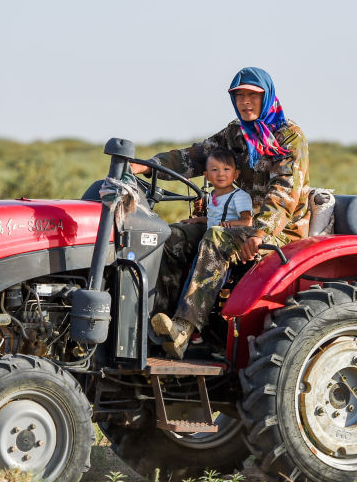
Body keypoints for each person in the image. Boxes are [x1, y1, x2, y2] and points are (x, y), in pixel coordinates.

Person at [130, 66, 310, 357]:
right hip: (235, 221)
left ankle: (183, 330)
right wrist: (147, 165)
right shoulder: (236, 134)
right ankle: (156, 327)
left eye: (253, 95)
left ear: (268, 98)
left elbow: (284, 194)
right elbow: (196, 156)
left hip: (277, 232)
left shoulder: (289, 139)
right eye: (239, 96)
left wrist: (259, 232)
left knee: (215, 237)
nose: (245, 102)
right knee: (174, 236)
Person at [182, 147, 253, 230]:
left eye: (226, 169)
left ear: (236, 174)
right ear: (207, 175)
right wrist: (196, 220)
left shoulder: (240, 196)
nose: (221, 174)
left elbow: (248, 221)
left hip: (227, 239)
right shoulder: (212, 195)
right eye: (214, 169)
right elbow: (213, 219)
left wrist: (230, 223)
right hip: (211, 237)